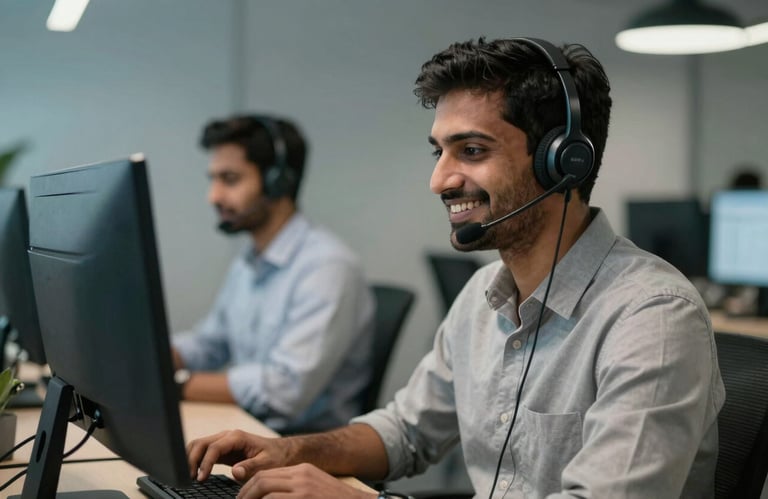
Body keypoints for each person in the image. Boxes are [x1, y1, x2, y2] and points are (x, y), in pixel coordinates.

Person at [185, 39, 725, 498]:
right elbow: (405, 432)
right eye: (438, 152)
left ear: (562, 161)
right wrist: (289, 451)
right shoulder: (480, 297)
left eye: (470, 150)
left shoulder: (652, 319)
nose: (440, 180)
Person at [172, 114, 375, 434]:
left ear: (279, 181)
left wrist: (175, 383)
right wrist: (153, 358)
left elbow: (284, 389)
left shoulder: (327, 267)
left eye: (230, 179)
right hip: (251, 431)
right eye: (213, 179)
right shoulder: (248, 261)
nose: (214, 196)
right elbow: (210, 344)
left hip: (304, 452)